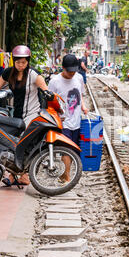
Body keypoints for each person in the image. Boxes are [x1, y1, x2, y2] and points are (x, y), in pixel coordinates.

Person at [0, 45, 50, 186]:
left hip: (32, 114)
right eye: (18, 62)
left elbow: (46, 91)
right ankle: (15, 174)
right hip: (17, 114)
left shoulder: (34, 74)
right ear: (13, 61)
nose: (21, 65)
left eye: (24, 62)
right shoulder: (9, 73)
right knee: (12, 143)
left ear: (28, 62)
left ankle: (24, 175)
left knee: (23, 143)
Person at [48, 54, 89, 183]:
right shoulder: (54, 81)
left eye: (73, 71)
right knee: (67, 149)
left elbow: (80, 95)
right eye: (69, 71)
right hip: (62, 122)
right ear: (63, 68)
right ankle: (67, 177)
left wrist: (83, 107)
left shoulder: (79, 78)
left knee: (74, 149)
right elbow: (49, 101)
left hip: (76, 120)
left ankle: (64, 175)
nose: (71, 74)